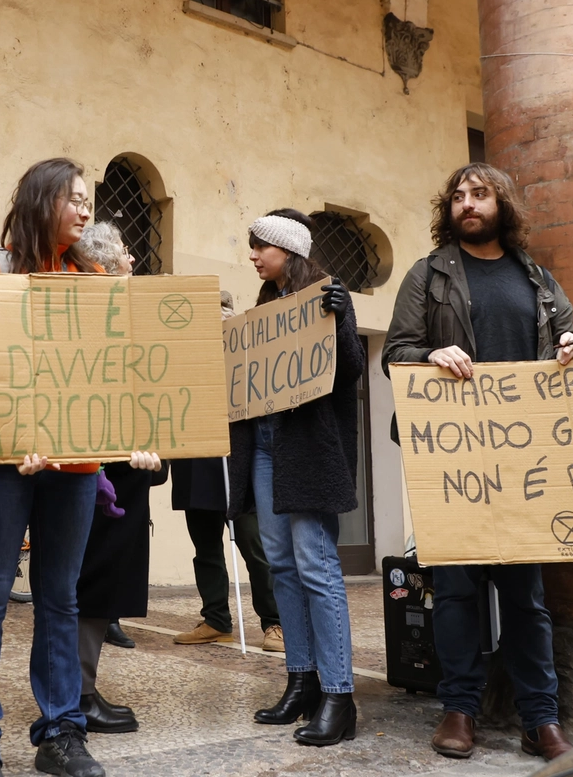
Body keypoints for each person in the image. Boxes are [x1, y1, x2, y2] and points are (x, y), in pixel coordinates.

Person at [382, 162, 573, 762]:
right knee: (455, 593)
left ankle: (540, 719)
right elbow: (395, 350)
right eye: (458, 197)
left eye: (480, 194)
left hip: (527, 465)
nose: (467, 204)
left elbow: (567, 338)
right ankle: (459, 709)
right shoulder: (428, 275)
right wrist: (431, 352)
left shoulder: (539, 280)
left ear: (504, 205)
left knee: (527, 596)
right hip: (454, 463)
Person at [0, 157, 106, 777]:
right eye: (74, 198)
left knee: (59, 598)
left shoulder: (92, 279)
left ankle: (61, 731)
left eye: (88, 200)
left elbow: (108, 378)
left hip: (77, 462)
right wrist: (16, 435)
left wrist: (137, 439)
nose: (85, 209)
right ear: (43, 202)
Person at [225, 208, 365, 748]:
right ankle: (301, 680)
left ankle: (338, 695)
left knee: (316, 564)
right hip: (264, 445)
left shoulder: (329, 294)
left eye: (262, 246)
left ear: (290, 250)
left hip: (306, 449)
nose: (254, 256)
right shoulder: (264, 307)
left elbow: (349, 370)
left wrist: (340, 319)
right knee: (280, 563)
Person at [70, 222, 168, 734]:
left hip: (125, 468)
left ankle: (77, 690)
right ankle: (78, 695)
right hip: (103, 472)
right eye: (127, 254)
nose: (134, 260)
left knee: (94, 587)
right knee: (92, 584)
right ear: (105, 268)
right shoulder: (101, 321)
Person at [171, 291, 283, 653]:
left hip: (238, 462)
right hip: (194, 460)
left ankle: (275, 623)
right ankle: (216, 619)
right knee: (205, 547)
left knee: (254, 546)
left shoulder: (247, 359)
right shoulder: (182, 360)